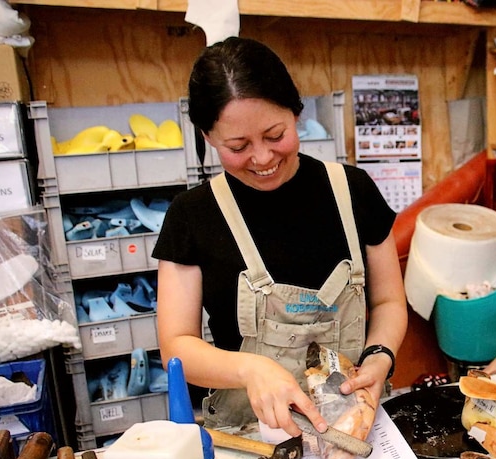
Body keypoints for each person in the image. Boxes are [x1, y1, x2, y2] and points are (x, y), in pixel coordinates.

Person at [152, 36, 407, 437]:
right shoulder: (191, 215)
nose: (263, 158)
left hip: (356, 423)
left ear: (295, 112)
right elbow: (176, 346)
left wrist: (379, 357)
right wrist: (250, 369)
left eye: (275, 135)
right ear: (207, 137)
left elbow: (390, 301)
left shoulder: (353, 191)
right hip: (253, 435)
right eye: (238, 146)